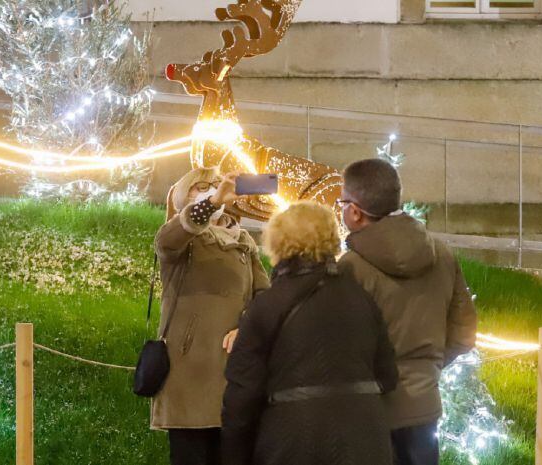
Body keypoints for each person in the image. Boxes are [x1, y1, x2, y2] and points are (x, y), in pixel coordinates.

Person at [222, 201, 399, 465]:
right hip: (365, 437)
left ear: (276, 240)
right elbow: (388, 376)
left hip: (293, 438)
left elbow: (242, 393)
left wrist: (234, 454)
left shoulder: (268, 304)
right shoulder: (360, 297)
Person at [336, 159, 478, 465]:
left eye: (341, 202)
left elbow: (339, 346)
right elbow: (464, 334)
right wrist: (429, 367)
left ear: (355, 211)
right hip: (425, 407)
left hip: (368, 414)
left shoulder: (351, 268)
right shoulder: (441, 253)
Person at [152, 167, 271, 465]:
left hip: (235, 373)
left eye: (219, 186)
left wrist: (247, 326)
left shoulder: (244, 241)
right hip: (190, 373)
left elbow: (265, 297)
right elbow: (171, 239)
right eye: (201, 186)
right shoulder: (177, 237)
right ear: (182, 195)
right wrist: (212, 202)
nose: (213, 190)